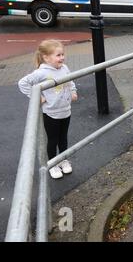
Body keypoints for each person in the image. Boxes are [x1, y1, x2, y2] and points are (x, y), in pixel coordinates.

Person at [18, 40, 78, 179]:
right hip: (51, 113)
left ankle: (63, 160)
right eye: (58, 55)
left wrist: (73, 91)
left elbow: (70, 80)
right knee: (53, 139)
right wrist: (37, 97)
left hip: (66, 110)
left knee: (63, 138)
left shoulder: (64, 68)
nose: (62, 58)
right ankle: (52, 164)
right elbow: (23, 83)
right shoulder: (41, 73)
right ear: (46, 57)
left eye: (62, 54)